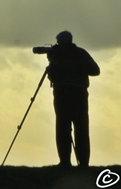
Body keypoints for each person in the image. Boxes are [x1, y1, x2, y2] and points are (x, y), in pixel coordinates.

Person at [39, 30, 99, 167]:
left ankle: (65, 161)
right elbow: (95, 70)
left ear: (60, 42)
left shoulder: (57, 55)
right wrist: (80, 68)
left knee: (63, 127)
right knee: (82, 128)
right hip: (80, 95)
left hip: (63, 95)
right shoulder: (81, 53)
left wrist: (52, 60)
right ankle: (84, 163)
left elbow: (52, 75)